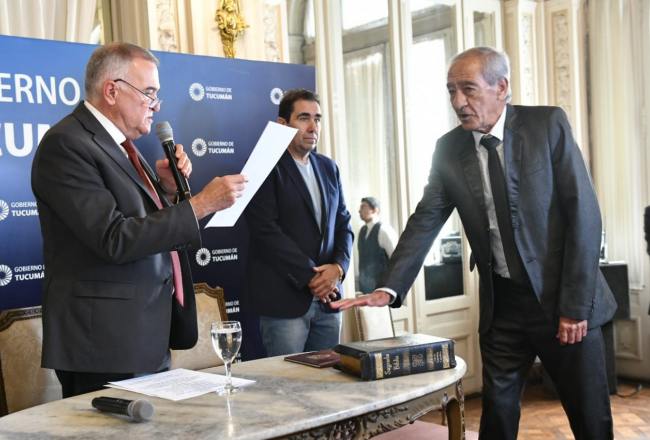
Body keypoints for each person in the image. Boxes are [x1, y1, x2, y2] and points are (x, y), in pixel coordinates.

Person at [332, 47, 616, 440]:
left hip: (562, 301)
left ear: (501, 87)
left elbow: (584, 215)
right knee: (497, 414)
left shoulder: (547, 125)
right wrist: (389, 286)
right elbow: (425, 219)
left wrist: (575, 307)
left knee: (590, 419)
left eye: (468, 89)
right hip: (503, 307)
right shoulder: (449, 149)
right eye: (451, 91)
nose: (458, 102)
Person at [31, 42, 247, 398]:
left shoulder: (122, 146)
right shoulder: (67, 145)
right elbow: (114, 238)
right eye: (148, 93)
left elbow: (142, 225)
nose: (156, 105)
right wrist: (200, 205)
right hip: (103, 345)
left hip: (143, 334)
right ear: (111, 91)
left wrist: (167, 192)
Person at [245, 88, 353, 356]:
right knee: (287, 380)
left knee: (328, 378)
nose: (313, 127)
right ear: (282, 124)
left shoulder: (329, 167)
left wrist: (338, 268)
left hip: (329, 300)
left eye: (317, 119)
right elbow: (265, 232)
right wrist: (312, 277)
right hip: (285, 303)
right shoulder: (264, 167)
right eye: (304, 118)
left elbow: (344, 225)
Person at [357, 196, 398, 293]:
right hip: (365, 290)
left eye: (363, 207)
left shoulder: (384, 230)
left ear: (375, 210)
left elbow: (396, 260)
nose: (359, 211)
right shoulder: (362, 231)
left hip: (382, 290)